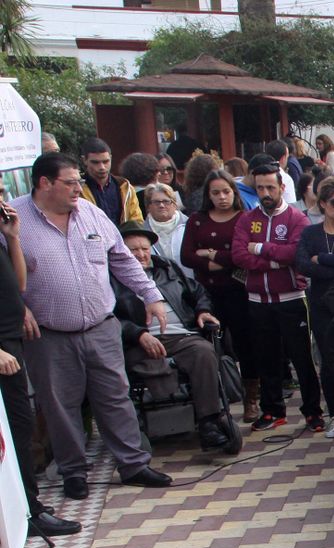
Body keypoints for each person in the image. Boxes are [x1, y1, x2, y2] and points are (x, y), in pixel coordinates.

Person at [11, 152, 171, 496]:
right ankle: (74, 473)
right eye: (70, 182)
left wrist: (151, 295)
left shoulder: (91, 214)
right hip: (48, 334)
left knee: (115, 396)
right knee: (59, 404)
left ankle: (134, 464)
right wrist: (17, 308)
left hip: (101, 325)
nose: (78, 189)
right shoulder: (14, 218)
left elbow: (123, 260)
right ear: (45, 183)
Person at [112, 222, 234, 454]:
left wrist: (202, 310)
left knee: (204, 352)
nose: (140, 254)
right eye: (133, 250)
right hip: (139, 340)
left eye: (144, 249)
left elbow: (198, 292)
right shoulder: (111, 277)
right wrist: (137, 334)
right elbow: (108, 317)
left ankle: (209, 421)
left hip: (180, 335)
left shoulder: (166, 268)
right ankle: (145, 422)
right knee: (146, 364)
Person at [0, 195, 81, 536]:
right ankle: (26, 513)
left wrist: (13, 237)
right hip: (2, 350)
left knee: (20, 430)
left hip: (11, 341)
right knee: (14, 432)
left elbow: (18, 286)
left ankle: (26, 507)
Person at [231, 163, 324, 432]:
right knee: (266, 358)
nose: (265, 192)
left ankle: (312, 412)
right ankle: (272, 411)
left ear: (282, 187)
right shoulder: (247, 220)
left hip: (292, 298)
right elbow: (239, 256)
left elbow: (295, 254)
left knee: (302, 358)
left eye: (271, 187)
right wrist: (273, 262)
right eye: (260, 187)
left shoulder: (297, 218)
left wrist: (260, 249)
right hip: (258, 300)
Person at [181, 169, 257, 421]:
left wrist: (209, 254)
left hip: (238, 290)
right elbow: (187, 256)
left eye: (226, 191)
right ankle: (214, 402)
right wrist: (217, 260)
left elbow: (241, 256)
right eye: (216, 192)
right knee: (209, 346)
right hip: (207, 293)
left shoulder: (244, 218)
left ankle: (251, 399)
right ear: (208, 195)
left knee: (246, 345)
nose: (222, 197)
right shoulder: (197, 220)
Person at [294, 176, 334, 439]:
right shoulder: (310, 233)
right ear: (322, 204)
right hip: (321, 304)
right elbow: (302, 264)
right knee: (329, 361)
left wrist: (322, 259)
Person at [79, 138, 144, 226]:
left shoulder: (125, 186)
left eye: (106, 161)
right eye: (95, 162)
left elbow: (136, 221)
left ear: (111, 158)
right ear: (84, 160)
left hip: (123, 237)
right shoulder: (77, 188)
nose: (102, 167)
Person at [143, 182, 189, 280]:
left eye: (166, 201)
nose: (161, 205)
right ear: (148, 206)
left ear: (174, 204)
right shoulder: (142, 232)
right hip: (159, 287)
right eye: (156, 202)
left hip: (190, 285)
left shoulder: (189, 226)